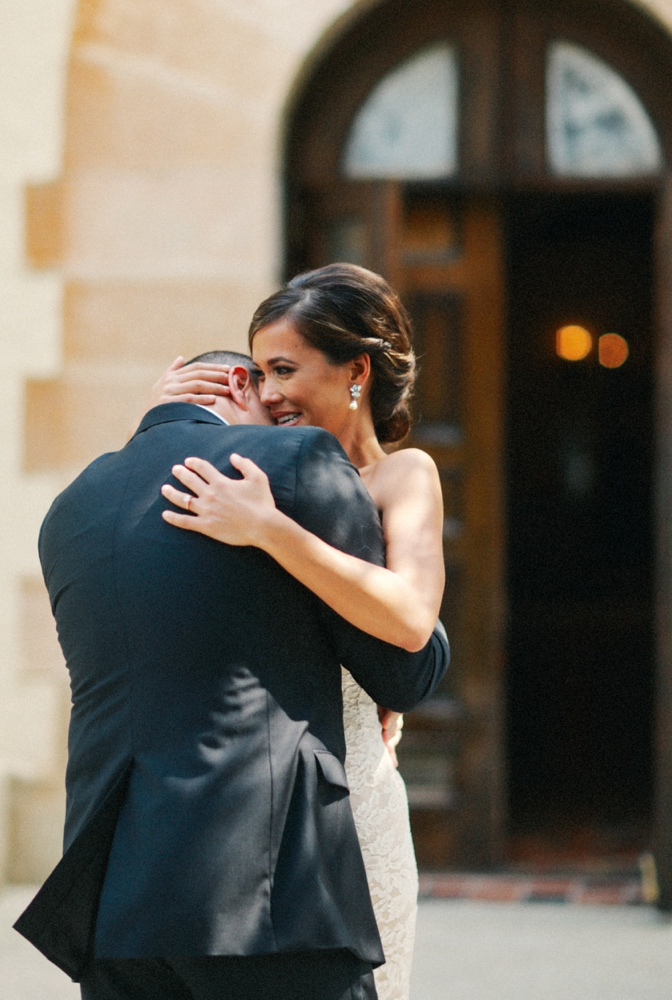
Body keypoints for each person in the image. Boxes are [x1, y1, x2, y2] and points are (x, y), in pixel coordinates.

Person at [14, 348, 449, 1000]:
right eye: (267, 389)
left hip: (112, 901)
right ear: (239, 382)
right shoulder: (289, 464)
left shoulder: (71, 508)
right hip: (262, 895)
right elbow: (404, 674)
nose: (278, 414)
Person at [154, 263, 446, 1000]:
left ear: (357, 370)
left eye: (284, 368)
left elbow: (411, 619)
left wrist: (269, 529)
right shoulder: (246, 475)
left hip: (353, 797)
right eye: (257, 373)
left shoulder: (403, 477)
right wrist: (164, 424)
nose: (269, 391)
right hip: (243, 804)